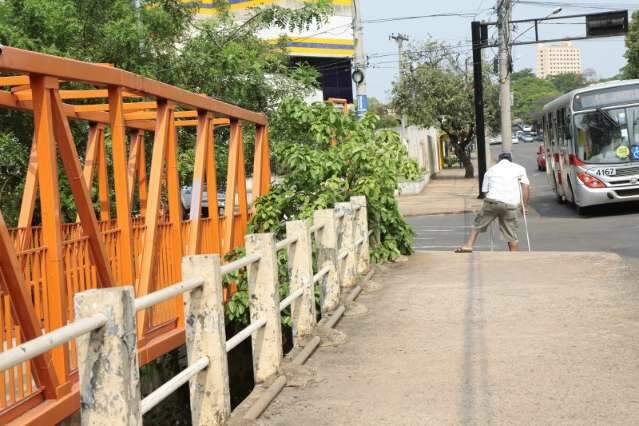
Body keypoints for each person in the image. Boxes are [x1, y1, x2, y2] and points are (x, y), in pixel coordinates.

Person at [455, 152, 529, 253]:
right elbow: (525, 187)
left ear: (498, 160)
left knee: (478, 224)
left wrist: (492, 209)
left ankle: (468, 245)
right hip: (510, 205)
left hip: (492, 202)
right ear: (511, 160)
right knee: (511, 232)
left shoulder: (490, 170)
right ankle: (514, 254)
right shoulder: (520, 169)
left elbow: (485, 191)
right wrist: (524, 206)